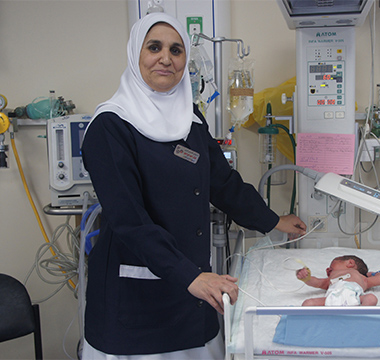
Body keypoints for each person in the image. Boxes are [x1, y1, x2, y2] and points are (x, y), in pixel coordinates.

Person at [81, 12, 306, 360]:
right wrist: (192, 277)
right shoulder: (110, 127)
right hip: (137, 300)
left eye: (176, 50)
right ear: (135, 54)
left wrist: (272, 219)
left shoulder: (190, 119)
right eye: (154, 47)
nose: (166, 58)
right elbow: (130, 220)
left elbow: (222, 182)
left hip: (191, 293)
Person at [296, 255, 380, 307]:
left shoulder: (363, 279)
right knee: (308, 303)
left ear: (350, 263)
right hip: (331, 300)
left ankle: (360, 316)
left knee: (371, 298)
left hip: (355, 299)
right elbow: (316, 282)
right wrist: (306, 278)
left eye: (331, 267)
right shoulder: (330, 280)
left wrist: (372, 274)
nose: (327, 269)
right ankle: (312, 323)